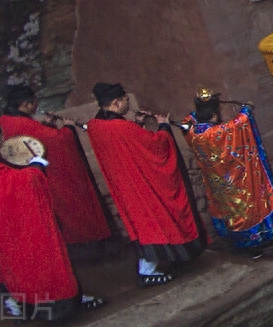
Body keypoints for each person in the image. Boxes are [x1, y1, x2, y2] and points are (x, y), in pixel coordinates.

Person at [0, 116, 105, 320]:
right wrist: (36, 166)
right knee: (39, 261)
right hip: (15, 227)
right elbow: (18, 184)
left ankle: (21, 307)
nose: (3, 141)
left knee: (11, 271)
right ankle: (61, 307)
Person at [86, 83, 204, 285]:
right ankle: (147, 270)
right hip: (139, 183)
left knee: (142, 226)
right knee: (154, 222)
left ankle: (148, 267)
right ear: (116, 102)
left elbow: (129, 146)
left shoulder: (96, 125)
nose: (128, 104)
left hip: (124, 184)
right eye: (125, 101)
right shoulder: (122, 127)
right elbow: (155, 145)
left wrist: (137, 125)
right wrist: (164, 126)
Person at [0, 84, 111, 247]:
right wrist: (68, 128)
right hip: (42, 177)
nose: (35, 106)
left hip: (19, 181)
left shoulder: (2, 122)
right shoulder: (25, 124)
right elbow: (57, 141)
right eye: (34, 103)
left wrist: (47, 125)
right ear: (25, 105)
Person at [183, 89, 273, 256]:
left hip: (219, 183)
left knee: (234, 211)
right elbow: (239, 124)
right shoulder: (216, 133)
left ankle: (260, 240)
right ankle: (249, 246)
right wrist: (246, 109)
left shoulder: (192, 132)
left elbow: (189, 118)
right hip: (236, 180)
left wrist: (204, 103)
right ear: (214, 115)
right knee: (245, 211)